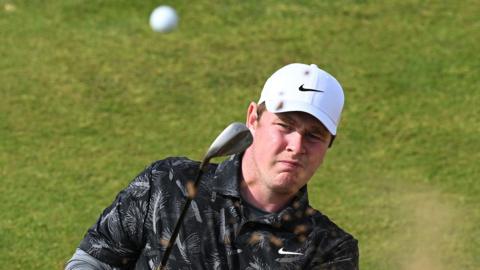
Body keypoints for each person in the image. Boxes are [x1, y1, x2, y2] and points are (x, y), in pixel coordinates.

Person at [66, 63, 359, 270]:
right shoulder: (168, 183)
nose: (296, 146)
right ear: (253, 119)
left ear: (329, 144)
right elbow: (95, 258)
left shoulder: (329, 249)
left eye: (314, 136)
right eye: (285, 126)